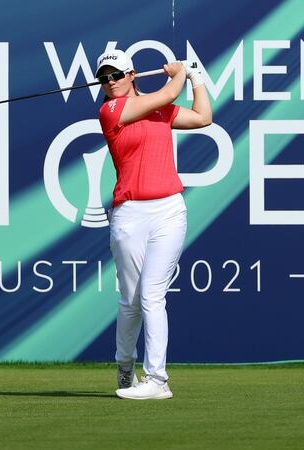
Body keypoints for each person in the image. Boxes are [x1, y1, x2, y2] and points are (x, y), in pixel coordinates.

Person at [95, 49, 212, 400]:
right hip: (129, 213)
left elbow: (203, 118)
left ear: (131, 75)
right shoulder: (110, 111)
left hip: (169, 211)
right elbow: (168, 93)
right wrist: (179, 72)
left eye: (116, 75)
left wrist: (196, 78)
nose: (110, 82)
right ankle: (125, 365)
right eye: (104, 78)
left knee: (151, 295)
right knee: (130, 300)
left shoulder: (160, 109)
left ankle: (158, 380)